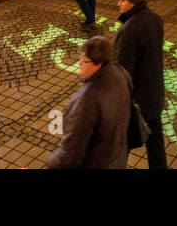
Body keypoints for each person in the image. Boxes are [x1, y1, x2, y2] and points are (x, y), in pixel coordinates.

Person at [45, 36, 135, 169]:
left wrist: (52, 163)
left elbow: (72, 151)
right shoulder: (120, 73)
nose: (79, 64)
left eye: (83, 61)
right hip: (117, 159)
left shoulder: (88, 100)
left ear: (97, 64)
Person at [114, 0, 166, 169]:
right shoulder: (156, 19)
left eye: (122, 0)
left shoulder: (129, 30)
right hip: (154, 93)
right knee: (155, 142)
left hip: (136, 100)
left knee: (121, 144)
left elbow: (123, 69)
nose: (118, 4)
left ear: (133, 2)